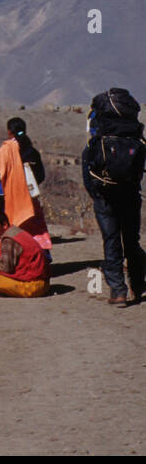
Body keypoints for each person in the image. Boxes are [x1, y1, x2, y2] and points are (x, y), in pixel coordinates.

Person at [82, 88, 146, 307]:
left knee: (111, 241)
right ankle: (138, 286)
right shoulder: (135, 137)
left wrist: (97, 191)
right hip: (130, 194)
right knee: (131, 240)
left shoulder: (97, 139)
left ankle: (118, 291)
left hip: (105, 195)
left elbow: (87, 170)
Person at [0, 117, 51, 251]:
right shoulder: (33, 151)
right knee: (35, 227)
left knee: (16, 226)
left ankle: (18, 256)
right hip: (31, 195)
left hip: (14, 196)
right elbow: (40, 175)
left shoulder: (8, 149)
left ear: (9, 132)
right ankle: (43, 255)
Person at [0, 211, 50, 297]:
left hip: (32, 287)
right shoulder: (16, 231)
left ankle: (1, 293)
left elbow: (6, 268)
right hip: (43, 283)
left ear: (5, 225)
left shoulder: (8, 240)